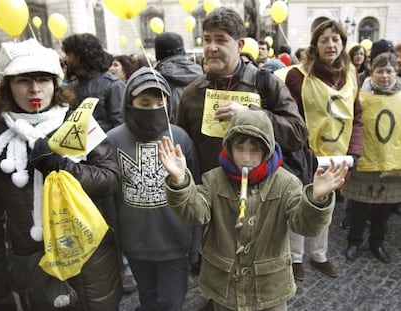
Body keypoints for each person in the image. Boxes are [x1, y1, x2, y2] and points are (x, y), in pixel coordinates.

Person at [158, 109, 349, 311]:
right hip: (225, 287)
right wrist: (180, 182)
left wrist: (316, 199)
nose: (247, 158)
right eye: (239, 148)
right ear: (229, 147)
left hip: (269, 290)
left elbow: (305, 225)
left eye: (255, 149)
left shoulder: (286, 183)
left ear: (267, 150)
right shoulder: (214, 179)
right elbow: (194, 213)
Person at [0, 38, 123, 311]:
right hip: (32, 265)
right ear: (8, 87)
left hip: (90, 261)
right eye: (23, 81)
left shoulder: (79, 123)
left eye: (43, 80)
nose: (35, 89)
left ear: (55, 84)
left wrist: (59, 165)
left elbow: (111, 179)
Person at [107, 66, 201, 311]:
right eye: (144, 103)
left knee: (172, 302)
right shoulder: (113, 140)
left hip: (175, 241)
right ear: (130, 103)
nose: (152, 109)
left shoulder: (180, 137)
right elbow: (110, 195)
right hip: (136, 243)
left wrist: (195, 243)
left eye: (160, 103)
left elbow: (196, 191)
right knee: (147, 298)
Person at [176, 6, 308, 175]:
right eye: (207, 39)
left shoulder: (267, 84)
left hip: (261, 196)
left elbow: (297, 135)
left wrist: (250, 116)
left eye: (221, 40)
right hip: (209, 196)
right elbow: (182, 151)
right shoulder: (191, 94)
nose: (212, 47)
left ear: (239, 45)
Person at [284, 19, 364, 281]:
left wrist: (354, 152)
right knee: (300, 202)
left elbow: (357, 117)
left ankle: (319, 255)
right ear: (315, 45)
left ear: (342, 43)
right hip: (304, 155)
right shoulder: (297, 76)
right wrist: (297, 153)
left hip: (337, 156)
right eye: (324, 40)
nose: (330, 44)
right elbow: (289, 116)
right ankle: (295, 257)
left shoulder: (351, 75)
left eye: (335, 39)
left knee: (326, 204)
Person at [343, 53, 401, 264]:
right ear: (371, 71)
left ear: (395, 72)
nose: (384, 76)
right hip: (365, 160)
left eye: (389, 71)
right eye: (380, 71)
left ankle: (377, 243)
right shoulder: (360, 96)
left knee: (382, 210)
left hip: (391, 163)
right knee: (359, 207)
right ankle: (354, 242)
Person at [61, 33, 125, 132]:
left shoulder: (113, 85)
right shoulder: (71, 87)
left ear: (81, 55)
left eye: (69, 54)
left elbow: (120, 126)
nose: (65, 59)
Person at [154, 32, 203, 123]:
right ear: (183, 51)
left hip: (170, 134)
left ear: (158, 54)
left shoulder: (155, 78)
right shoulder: (201, 73)